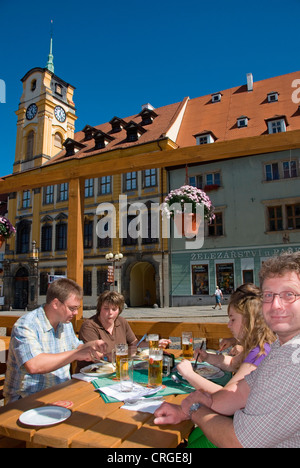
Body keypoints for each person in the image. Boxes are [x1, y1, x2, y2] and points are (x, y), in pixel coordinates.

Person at [154, 251, 300, 448]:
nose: (275, 305)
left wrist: (194, 409)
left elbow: (236, 442)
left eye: (288, 294)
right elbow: (238, 394)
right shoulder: (278, 347)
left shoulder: (293, 360)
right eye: (268, 295)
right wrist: (183, 411)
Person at [3, 278, 107, 404]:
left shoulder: (65, 323)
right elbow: (34, 365)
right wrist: (76, 354)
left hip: (62, 393)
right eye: (72, 308)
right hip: (27, 401)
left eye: (77, 308)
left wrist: (90, 346)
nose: (75, 313)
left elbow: (76, 347)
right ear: (56, 303)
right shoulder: (27, 325)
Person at [177, 283, 276, 394]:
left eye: (232, 320)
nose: (228, 325)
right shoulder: (257, 346)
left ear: (250, 321)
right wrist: (207, 357)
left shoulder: (259, 353)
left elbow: (227, 396)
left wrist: (189, 374)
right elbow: (233, 363)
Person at [77, 290, 171, 370]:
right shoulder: (89, 326)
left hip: (118, 370)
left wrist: (154, 344)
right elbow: (96, 357)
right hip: (92, 374)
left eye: (114, 309)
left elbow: (135, 344)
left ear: (119, 310)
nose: (110, 313)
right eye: (106, 309)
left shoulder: (121, 322)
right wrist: (124, 354)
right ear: (99, 308)